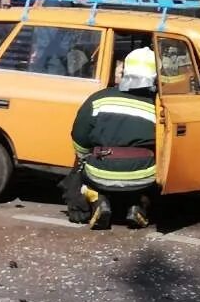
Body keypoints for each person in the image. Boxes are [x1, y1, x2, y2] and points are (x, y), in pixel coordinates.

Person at [63, 45, 159, 230]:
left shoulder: (99, 98)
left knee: (78, 173)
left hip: (100, 171)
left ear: (125, 71)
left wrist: (83, 158)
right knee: (149, 181)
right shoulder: (157, 105)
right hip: (144, 175)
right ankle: (139, 205)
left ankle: (98, 200)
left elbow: (79, 136)